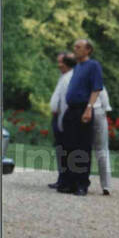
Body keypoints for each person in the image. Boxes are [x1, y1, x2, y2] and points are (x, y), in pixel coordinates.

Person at [60, 38, 103, 196]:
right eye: (75, 46)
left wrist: (89, 108)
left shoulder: (93, 66)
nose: (75, 49)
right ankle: (70, 182)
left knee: (82, 148)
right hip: (71, 110)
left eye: (78, 47)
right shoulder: (77, 67)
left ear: (88, 50)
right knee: (69, 146)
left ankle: (81, 184)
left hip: (83, 109)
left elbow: (96, 88)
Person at [48, 51, 76, 189]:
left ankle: (65, 179)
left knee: (65, 149)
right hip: (57, 117)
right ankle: (61, 177)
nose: (59, 65)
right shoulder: (63, 76)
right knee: (60, 149)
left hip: (63, 117)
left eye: (61, 62)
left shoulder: (71, 77)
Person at [92, 86, 112, 195]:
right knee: (102, 151)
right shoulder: (98, 81)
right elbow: (105, 103)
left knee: (82, 149)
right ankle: (106, 185)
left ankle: (80, 183)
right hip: (99, 111)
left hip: (87, 111)